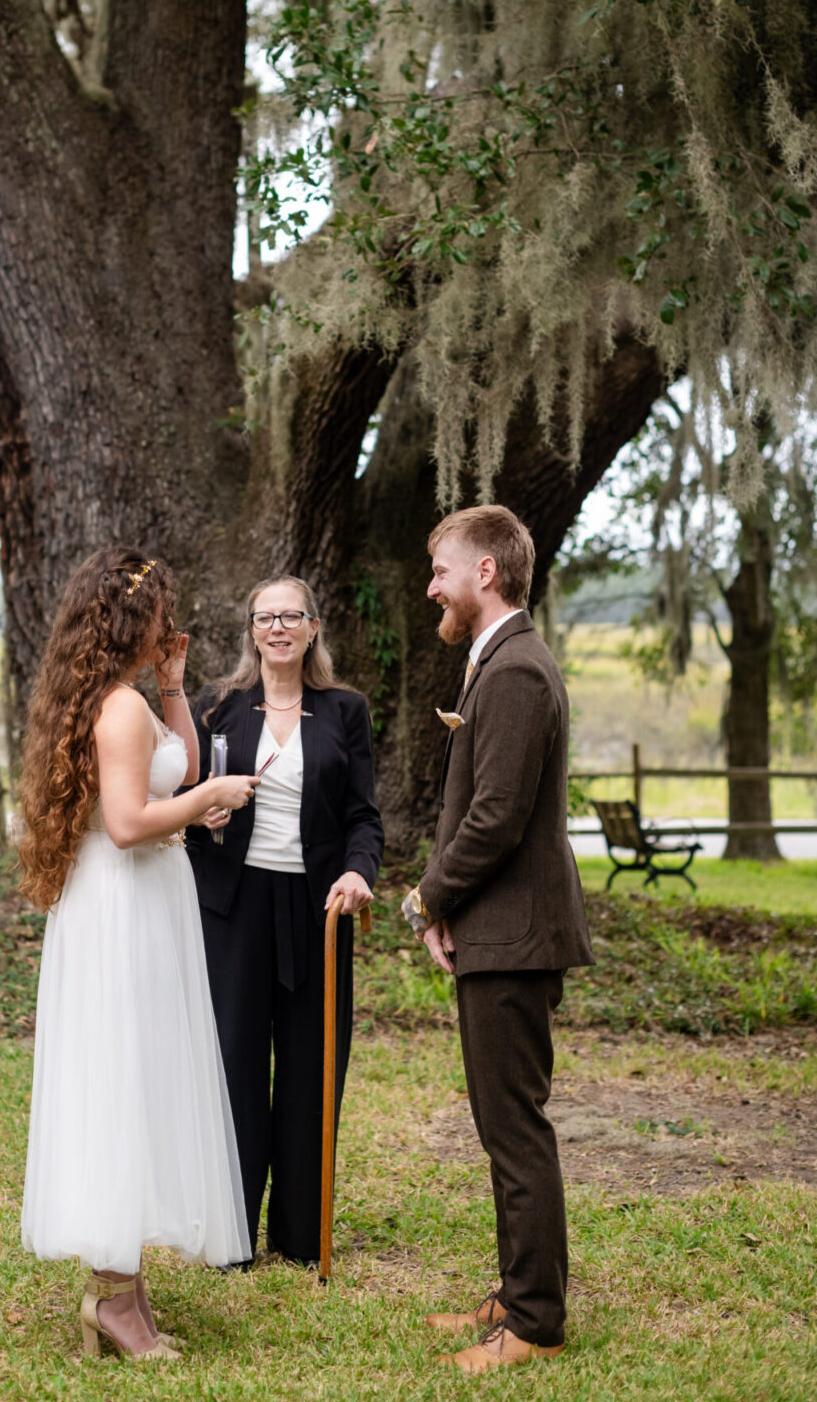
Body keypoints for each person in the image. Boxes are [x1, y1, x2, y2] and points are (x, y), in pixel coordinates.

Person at [17, 549, 260, 1361]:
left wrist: (175, 686)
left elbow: (180, 765)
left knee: (138, 1082)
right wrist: (208, 802)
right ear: (131, 618)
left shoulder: (130, 701)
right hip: (122, 904)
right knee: (121, 1084)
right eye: (161, 609)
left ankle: (125, 1294)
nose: (171, 619)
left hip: (139, 902)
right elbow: (128, 820)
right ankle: (113, 1303)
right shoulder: (114, 709)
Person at [402, 506, 594, 1375]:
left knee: (514, 1129)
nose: (432, 585)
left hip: (515, 936)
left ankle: (535, 1322)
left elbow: (496, 817)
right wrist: (451, 913)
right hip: (495, 929)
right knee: (502, 1124)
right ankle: (517, 1291)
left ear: (485, 573)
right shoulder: (501, 662)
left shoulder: (516, 671)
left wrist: (425, 898)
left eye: (441, 569)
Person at [185, 575, 384, 1266]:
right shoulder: (216, 706)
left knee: (310, 1069)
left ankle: (301, 1236)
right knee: (234, 1067)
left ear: (312, 628)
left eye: (290, 616)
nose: (277, 627)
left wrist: (359, 871)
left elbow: (363, 815)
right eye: (264, 616)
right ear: (251, 630)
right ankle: (231, 1236)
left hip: (316, 909)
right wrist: (199, 810)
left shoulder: (345, 710)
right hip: (233, 911)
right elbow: (183, 798)